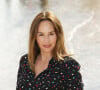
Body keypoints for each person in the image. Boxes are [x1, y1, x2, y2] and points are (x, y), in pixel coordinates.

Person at [16, 11, 84, 90]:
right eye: (41, 34)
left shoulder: (68, 66)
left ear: (58, 35)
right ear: (34, 37)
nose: (46, 40)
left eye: (51, 34)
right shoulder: (25, 61)